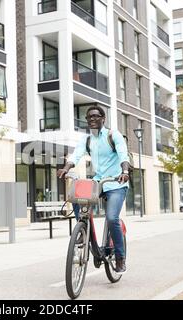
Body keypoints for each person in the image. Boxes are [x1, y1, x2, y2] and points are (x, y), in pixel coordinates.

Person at [57, 106, 131, 273]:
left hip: (116, 182)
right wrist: (66, 168)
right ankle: (84, 231)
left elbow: (123, 155)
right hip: (99, 181)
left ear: (103, 119)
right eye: (89, 117)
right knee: (77, 199)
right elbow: (76, 155)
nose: (92, 119)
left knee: (112, 218)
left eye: (96, 116)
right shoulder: (87, 140)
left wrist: (125, 172)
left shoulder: (113, 135)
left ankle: (120, 257)